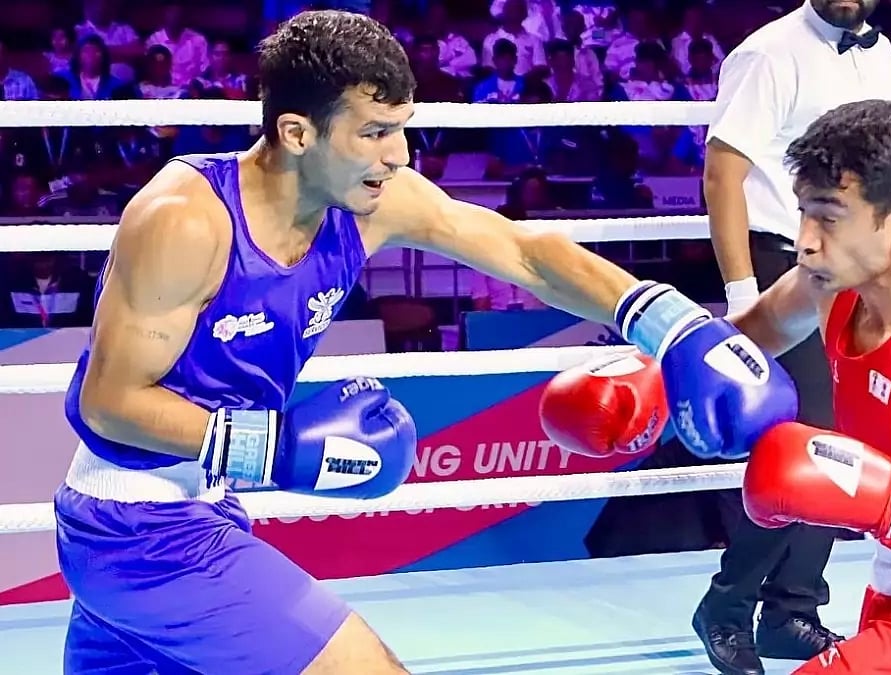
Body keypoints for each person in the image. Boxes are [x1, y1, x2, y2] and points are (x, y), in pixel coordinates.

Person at [54, 11, 670, 674]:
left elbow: (525, 254)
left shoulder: (372, 203)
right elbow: (109, 402)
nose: (398, 156)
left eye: (399, 129)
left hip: (201, 504)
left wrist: (669, 322)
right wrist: (277, 446)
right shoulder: (185, 219)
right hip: (136, 526)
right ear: (296, 132)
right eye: (373, 133)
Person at [544, 99, 891, 673]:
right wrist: (655, 387)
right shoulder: (832, 283)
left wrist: (889, 505)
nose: (807, 240)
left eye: (829, 216)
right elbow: (745, 341)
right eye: (803, 214)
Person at [622, 1, 891, 672]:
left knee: (846, 443)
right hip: (786, 262)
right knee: (806, 441)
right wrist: (744, 293)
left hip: (858, 266)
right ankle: (727, 601)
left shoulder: (882, 56)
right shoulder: (769, 53)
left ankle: (792, 610)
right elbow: (724, 173)